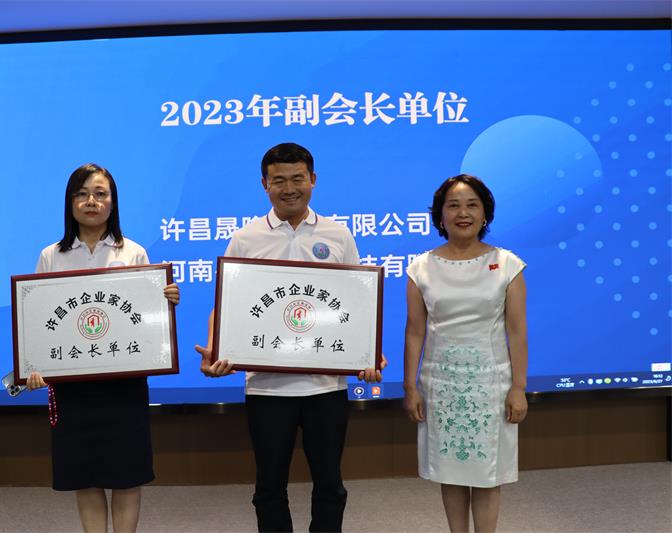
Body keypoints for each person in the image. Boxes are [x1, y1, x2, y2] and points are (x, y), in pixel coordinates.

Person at [194, 143, 385, 532]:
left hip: (325, 386)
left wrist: (368, 353)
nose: (289, 188)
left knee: (330, 485)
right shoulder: (246, 238)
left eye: (298, 178)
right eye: (278, 180)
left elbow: (356, 302)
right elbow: (225, 305)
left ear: (313, 179)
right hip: (267, 388)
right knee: (269, 487)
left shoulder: (338, 235)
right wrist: (215, 348)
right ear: (264, 185)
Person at [26, 163, 180, 533]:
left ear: (113, 202)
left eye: (100, 194)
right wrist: (33, 364)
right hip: (73, 386)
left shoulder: (134, 252)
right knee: (86, 477)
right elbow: (38, 318)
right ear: (70, 203)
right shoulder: (51, 256)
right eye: (81, 194)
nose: (91, 202)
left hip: (124, 384)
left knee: (126, 477)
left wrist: (166, 302)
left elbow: (146, 319)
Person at [403, 174, 528, 533]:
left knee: (488, 475)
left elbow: (517, 331)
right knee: (451, 473)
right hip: (441, 385)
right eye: (453, 205)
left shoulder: (507, 264)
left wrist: (518, 387)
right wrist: (410, 387)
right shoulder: (420, 268)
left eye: (472, 205)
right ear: (440, 215)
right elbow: (414, 331)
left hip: (491, 385)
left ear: (485, 213)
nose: (463, 213)